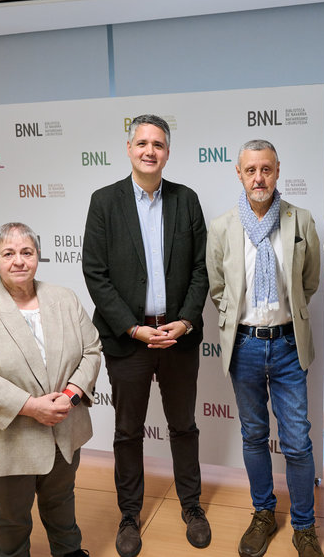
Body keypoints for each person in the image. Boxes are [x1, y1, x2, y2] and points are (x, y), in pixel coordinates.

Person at [82, 114, 210, 557]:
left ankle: (192, 507)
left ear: (168, 152)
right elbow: (95, 274)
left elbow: (200, 270)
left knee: (184, 427)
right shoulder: (104, 202)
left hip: (177, 338)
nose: (149, 151)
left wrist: (187, 320)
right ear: (129, 148)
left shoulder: (186, 200)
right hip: (128, 340)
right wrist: (133, 328)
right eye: (142, 143)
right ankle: (129, 515)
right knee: (127, 431)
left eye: (158, 144)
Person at [0, 222, 100, 557]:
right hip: (7, 439)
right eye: (9, 253)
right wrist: (32, 406)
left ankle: (70, 552)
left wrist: (71, 396)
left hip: (64, 427)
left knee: (62, 505)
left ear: (38, 257)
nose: (19, 261)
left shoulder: (64, 299)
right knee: (12, 520)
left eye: (26, 252)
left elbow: (91, 349)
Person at [206, 140, 323, 557]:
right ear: (239, 173)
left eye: (267, 170)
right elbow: (218, 290)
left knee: (297, 441)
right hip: (245, 347)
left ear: (278, 171)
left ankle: (305, 528)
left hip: (289, 344)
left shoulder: (301, 221)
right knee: (254, 435)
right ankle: (263, 513)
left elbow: (309, 283)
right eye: (251, 170)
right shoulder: (222, 227)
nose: (259, 178)